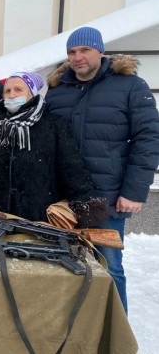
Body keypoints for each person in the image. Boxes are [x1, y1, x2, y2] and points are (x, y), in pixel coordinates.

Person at [46, 26, 159, 313]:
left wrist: (134, 191)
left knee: (108, 266)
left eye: (84, 50)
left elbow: (149, 138)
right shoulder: (58, 91)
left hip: (106, 198)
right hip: (64, 198)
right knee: (65, 265)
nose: (77, 57)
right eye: (72, 52)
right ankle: (79, 327)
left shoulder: (130, 86)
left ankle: (114, 333)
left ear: (100, 51)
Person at [0, 71, 106, 223]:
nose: (12, 95)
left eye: (18, 89)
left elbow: (71, 168)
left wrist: (83, 205)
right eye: (7, 91)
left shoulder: (54, 125)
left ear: (32, 94)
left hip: (39, 220)